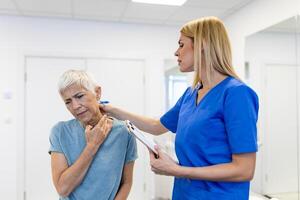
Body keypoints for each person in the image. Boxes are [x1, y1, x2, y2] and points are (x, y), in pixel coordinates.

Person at [100, 16, 259, 200]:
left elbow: (244, 170)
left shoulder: (236, 94)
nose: (176, 52)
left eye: (181, 45)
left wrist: (177, 170)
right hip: (185, 194)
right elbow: (157, 126)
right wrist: (112, 110)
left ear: (202, 45)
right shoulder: (191, 94)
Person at [49, 70, 137, 200]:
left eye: (79, 96)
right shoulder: (60, 132)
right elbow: (63, 189)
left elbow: (126, 182)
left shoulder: (125, 131)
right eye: (68, 102)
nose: (75, 106)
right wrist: (92, 145)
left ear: (97, 92)